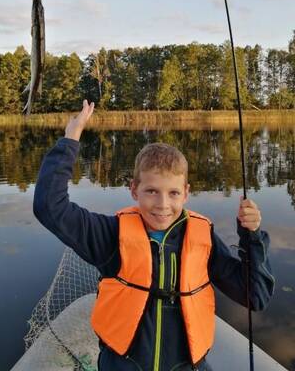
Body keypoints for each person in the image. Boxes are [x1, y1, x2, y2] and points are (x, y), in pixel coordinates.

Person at [33, 100, 274, 371]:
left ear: (186, 193)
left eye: (173, 193)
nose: (162, 204)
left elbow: (256, 296)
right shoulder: (110, 236)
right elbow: (48, 206)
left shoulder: (202, 238)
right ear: (134, 190)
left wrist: (251, 236)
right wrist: (71, 138)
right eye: (151, 191)